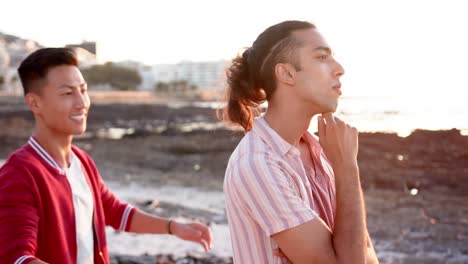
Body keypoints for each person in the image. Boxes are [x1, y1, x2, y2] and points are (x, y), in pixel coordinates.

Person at [0, 48, 213, 264]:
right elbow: (17, 258)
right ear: (35, 103)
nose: (81, 102)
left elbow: (114, 211)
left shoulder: (81, 161)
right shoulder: (19, 174)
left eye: (83, 90)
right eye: (67, 93)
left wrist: (173, 227)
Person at [222, 20, 379, 263]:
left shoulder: (322, 150)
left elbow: (364, 253)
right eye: (322, 57)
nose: (339, 69)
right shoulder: (258, 165)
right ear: (286, 73)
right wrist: (347, 168)